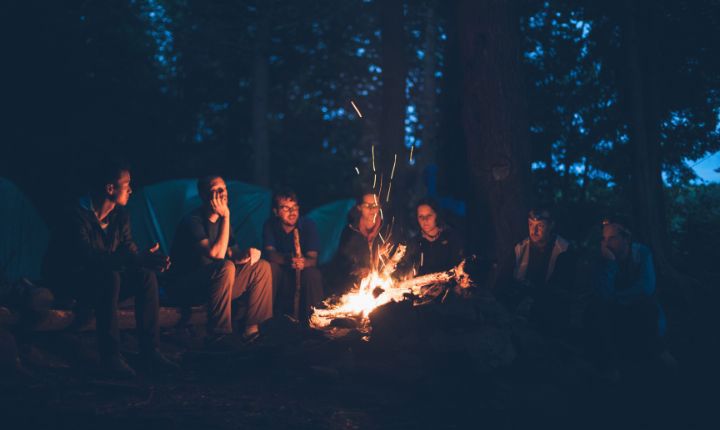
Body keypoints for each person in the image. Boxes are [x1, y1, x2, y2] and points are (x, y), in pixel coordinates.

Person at [43, 159, 176, 378]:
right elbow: (87, 258)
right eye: (127, 184)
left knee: (145, 276)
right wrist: (132, 258)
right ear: (110, 188)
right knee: (110, 277)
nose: (131, 190)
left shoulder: (120, 215)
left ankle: (150, 351)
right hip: (73, 284)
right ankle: (111, 356)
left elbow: (127, 249)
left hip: (103, 282)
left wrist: (146, 259)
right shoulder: (75, 215)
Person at [168, 175, 272, 347]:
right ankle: (219, 334)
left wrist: (247, 255)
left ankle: (251, 331)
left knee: (261, 267)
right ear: (204, 195)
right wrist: (226, 216)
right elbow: (216, 254)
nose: (221, 193)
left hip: (217, 285)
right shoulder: (193, 221)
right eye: (215, 190)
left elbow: (232, 253)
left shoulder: (224, 224)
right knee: (225, 266)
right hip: (189, 286)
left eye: (223, 189)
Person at [586, 215, 674, 371]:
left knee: (646, 306)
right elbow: (602, 294)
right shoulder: (603, 258)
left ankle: (660, 355)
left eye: (612, 238)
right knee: (596, 310)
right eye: (604, 238)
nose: (606, 243)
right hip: (614, 313)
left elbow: (646, 287)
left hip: (639, 309)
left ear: (626, 239)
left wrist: (616, 298)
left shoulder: (641, 254)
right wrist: (610, 264)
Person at [496, 207, 576, 335]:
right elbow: (502, 280)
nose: (534, 231)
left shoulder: (564, 250)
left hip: (549, 312)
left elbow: (562, 288)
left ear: (551, 225)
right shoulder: (520, 248)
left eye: (540, 226)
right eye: (531, 225)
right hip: (517, 306)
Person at [262, 189, 323, 322]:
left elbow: (313, 258)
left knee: (312, 274)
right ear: (276, 212)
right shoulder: (270, 225)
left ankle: (314, 320)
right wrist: (287, 259)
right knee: (269, 268)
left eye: (295, 207)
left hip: (302, 272)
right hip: (282, 271)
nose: (292, 212)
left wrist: (303, 262)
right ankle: (267, 320)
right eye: (286, 208)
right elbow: (269, 253)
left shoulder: (308, 225)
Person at [327, 190, 384, 294]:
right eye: (367, 205)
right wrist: (358, 268)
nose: (371, 209)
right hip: (356, 285)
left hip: (383, 283)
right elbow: (343, 261)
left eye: (375, 205)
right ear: (359, 207)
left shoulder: (386, 230)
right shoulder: (350, 231)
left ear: (379, 207)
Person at [403, 198, 464, 277]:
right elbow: (405, 270)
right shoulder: (413, 244)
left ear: (437, 215)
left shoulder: (451, 238)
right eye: (421, 216)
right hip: (421, 288)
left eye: (429, 215)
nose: (425, 220)